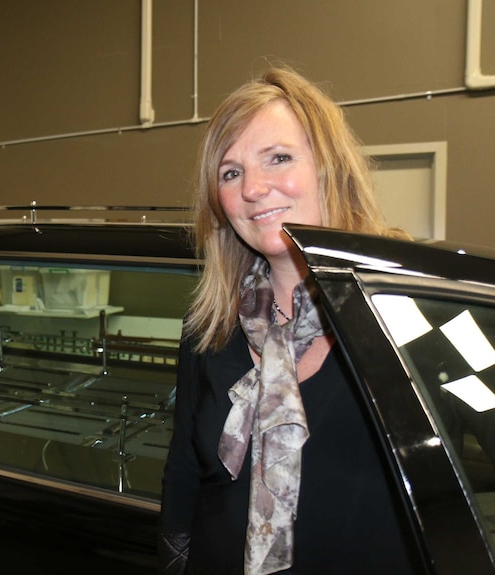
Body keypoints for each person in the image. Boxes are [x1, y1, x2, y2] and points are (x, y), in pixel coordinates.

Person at [159, 66, 421, 575]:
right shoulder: (208, 327)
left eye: (278, 158)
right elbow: (184, 473)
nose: (254, 188)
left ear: (330, 168)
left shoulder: (408, 312)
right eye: (231, 173)